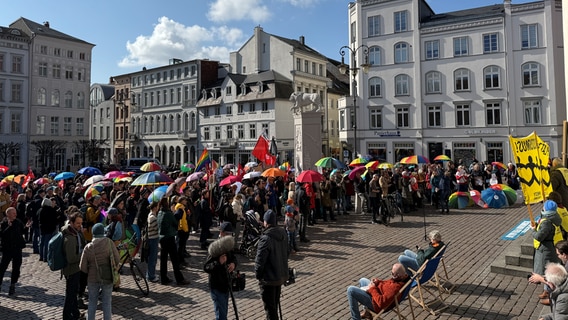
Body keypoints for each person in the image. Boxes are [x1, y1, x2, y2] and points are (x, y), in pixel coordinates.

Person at [79, 223, 119, 320]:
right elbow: (117, 259)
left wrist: (90, 270)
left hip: (92, 278)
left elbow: (82, 266)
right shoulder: (109, 243)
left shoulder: (88, 247)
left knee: (92, 302)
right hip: (107, 276)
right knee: (107, 302)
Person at [255, 209, 289, 320]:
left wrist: (258, 275)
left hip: (269, 278)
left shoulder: (266, 238)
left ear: (266, 222)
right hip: (279, 276)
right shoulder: (282, 234)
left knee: (270, 310)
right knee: (274, 305)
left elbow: (260, 260)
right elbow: (286, 253)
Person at [204, 222, 238, 320]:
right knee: (221, 315)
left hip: (226, 284)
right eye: (227, 234)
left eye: (230, 234)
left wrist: (233, 264)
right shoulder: (215, 248)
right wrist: (218, 262)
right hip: (217, 285)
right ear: (221, 233)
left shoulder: (228, 245)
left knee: (224, 312)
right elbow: (206, 267)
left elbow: (234, 258)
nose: (229, 236)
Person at [533, 200, 563, 304]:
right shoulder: (555, 217)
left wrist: (533, 229)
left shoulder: (546, 221)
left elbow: (539, 236)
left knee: (547, 272)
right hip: (551, 246)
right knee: (548, 271)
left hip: (546, 249)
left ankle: (551, 295)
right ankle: (547, 291)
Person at [157, 197, 190, 286]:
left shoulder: (159, 212)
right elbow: (175, 222)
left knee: (163, 260)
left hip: (162, 238)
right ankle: (179, 279)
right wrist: (174, 212)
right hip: (169, 238)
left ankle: (163, 278)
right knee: (174, 259)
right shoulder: (168, 213)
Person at [62, 212, 86, 320]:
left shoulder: (76, 233)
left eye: (81, 223)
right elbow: (71, 258)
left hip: (77, 268)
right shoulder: (70, 238)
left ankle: (75, 314)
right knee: (70, 294)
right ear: (71, 222)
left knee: (73, 293)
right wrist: (83, 256)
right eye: (77, 223)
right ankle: (66, 316)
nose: (79, 225)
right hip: (71, 270)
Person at [0, 207, 27, 295]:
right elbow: (2, 235)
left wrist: (26, 227)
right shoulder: (4, 223)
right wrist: (8, 227)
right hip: (7, 249)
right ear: (8, 214)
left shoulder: (18, 222)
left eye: (15, 212)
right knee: (2, 268)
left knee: (16, 268)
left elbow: (22, 231)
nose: (15, 214)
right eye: (13, 213)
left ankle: (12, 285)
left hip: (17, 249)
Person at [146, 201, 160, 282]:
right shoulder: (152, 217)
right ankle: (151, 276)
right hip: (153, 239)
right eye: (157, 206)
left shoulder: (153, 215)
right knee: (152, 258)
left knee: (153, 258)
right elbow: (157, 228)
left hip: (153, 238)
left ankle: (151, 274)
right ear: (155, 207)